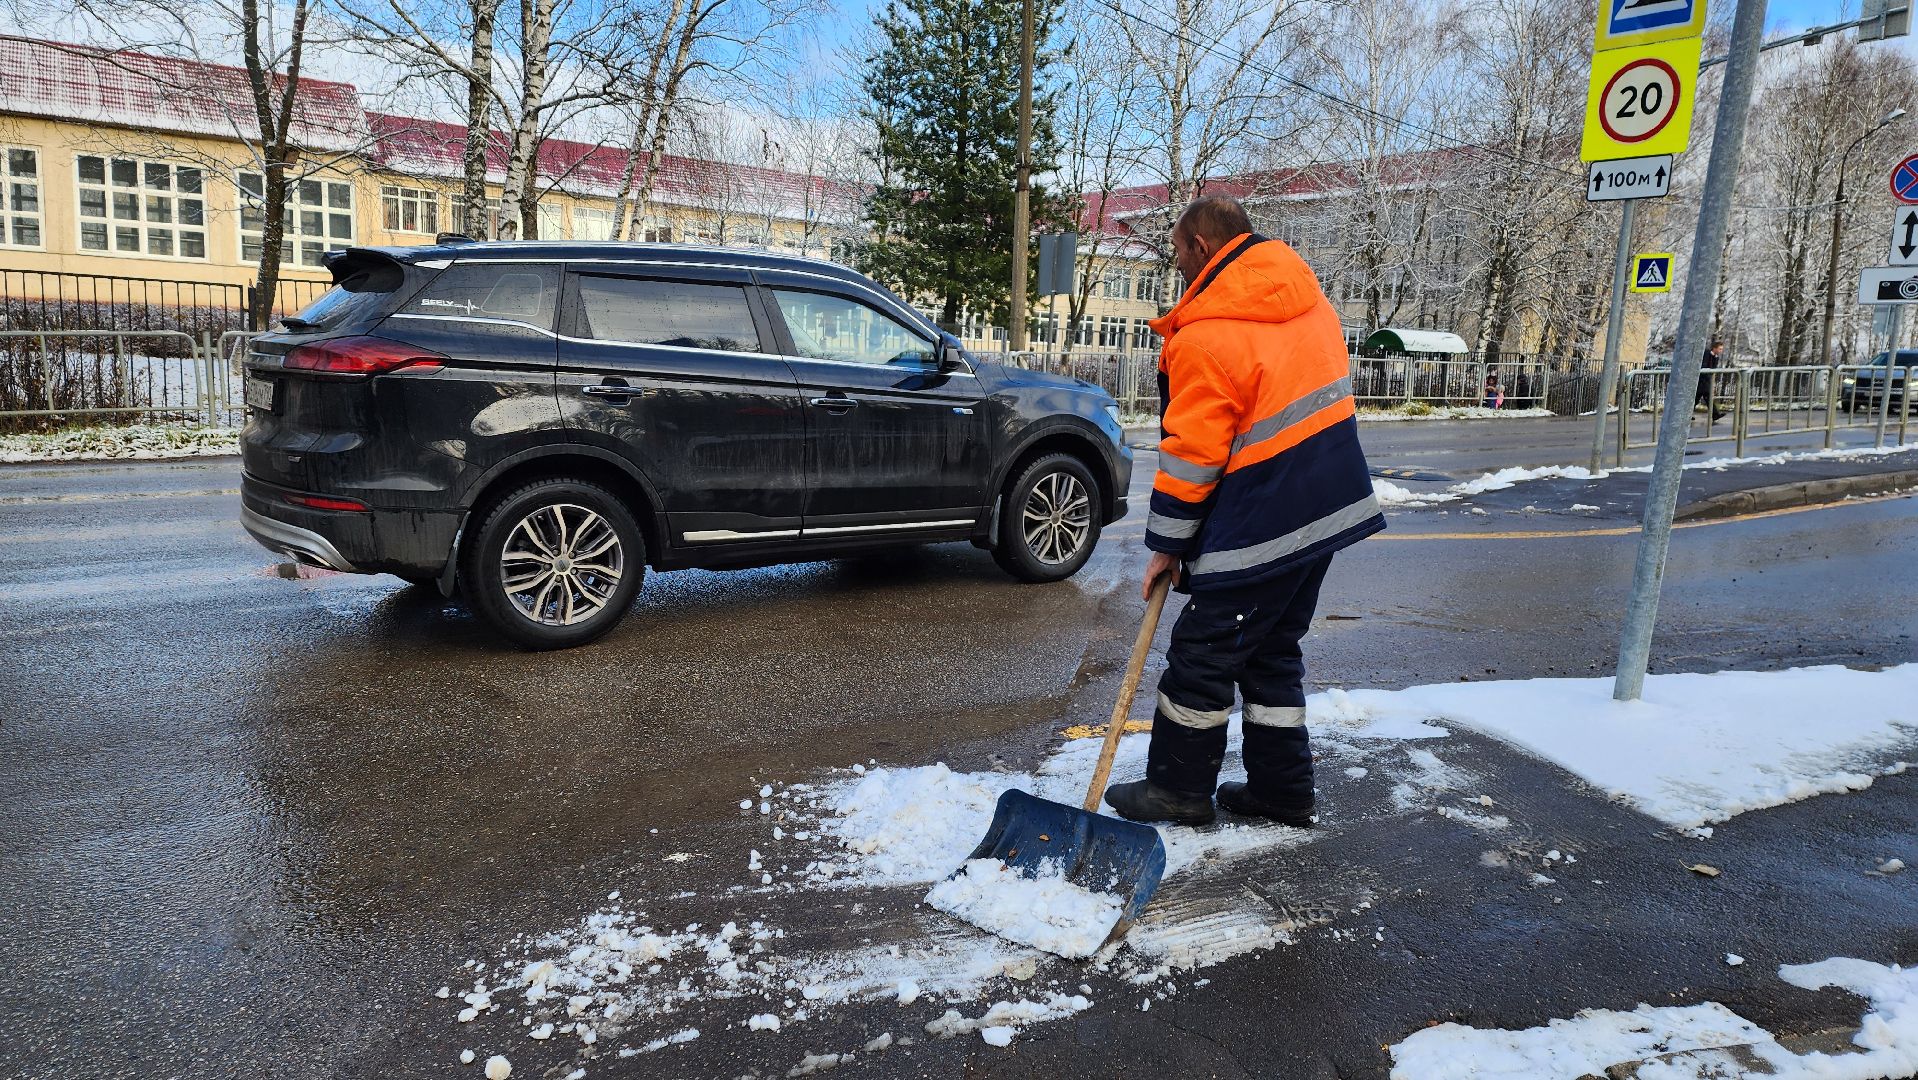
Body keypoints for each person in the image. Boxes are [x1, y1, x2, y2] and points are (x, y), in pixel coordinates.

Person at [1101, 196, 1385, 828]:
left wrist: (1167, 544)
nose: (1176, 265)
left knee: (1203, 651)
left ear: (1202, 246)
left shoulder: (1206, 334)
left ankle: (1178, 790)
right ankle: (1283, 792)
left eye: (1178, 251)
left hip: (1265, 516)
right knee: (1270, 649)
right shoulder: (1310, 303)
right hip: (1327, 506)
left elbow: (1193, 456)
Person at [1697, 340, 1726, 422]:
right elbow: (1704, 366)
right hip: (1701, 379)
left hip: (1705, 380)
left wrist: (1715, 358)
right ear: (1714, 348)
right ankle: (1715, 414)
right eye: (1720, 349)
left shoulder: (1715, 357)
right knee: (1703, 396)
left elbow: (1713, 368)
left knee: (1702, 397)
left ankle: (1715, 414)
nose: (1721, 351)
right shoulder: (1706, 354)